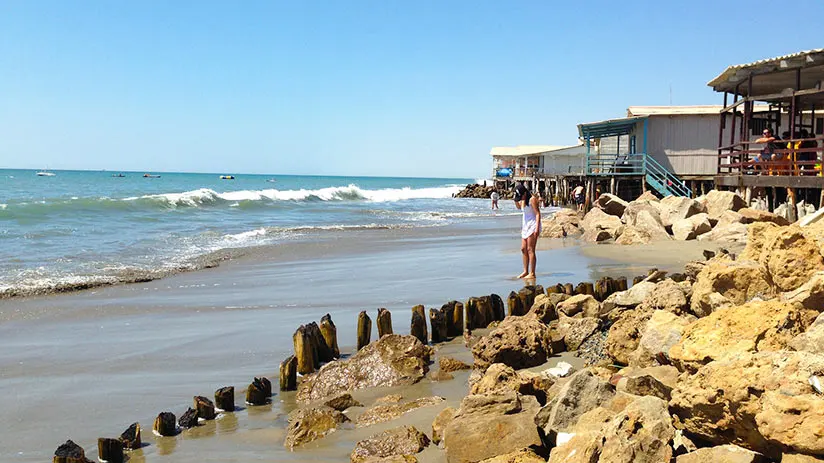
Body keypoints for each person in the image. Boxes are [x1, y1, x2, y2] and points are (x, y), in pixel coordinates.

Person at [514, 184, 541, 279]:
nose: (520, 198)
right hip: (525, 225)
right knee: (523, 249)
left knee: (530, 249)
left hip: (533, 225)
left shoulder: (532, 199)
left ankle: (532, 273)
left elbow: (537, 214)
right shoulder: (522, 200)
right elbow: (518, 208)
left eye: (521, 196)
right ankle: (525, 271)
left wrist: (537, 228)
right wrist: (516, 200)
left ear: (525, 193)